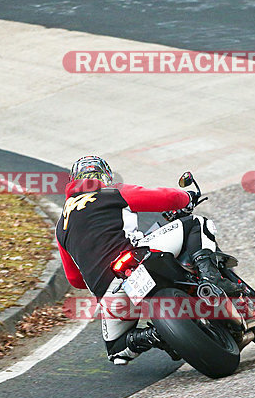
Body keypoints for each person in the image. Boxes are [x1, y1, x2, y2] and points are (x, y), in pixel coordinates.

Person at [55, 155, 240, 365]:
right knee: (197, 223)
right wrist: (187, 197)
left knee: (116, 350)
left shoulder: (61, 224)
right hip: (138, 256)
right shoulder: (111, 192)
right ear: (105, 176)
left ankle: (155, 335)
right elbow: (166, 198)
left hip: (108, 288)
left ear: (73, 180)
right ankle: (211, 280)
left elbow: (75, 279)